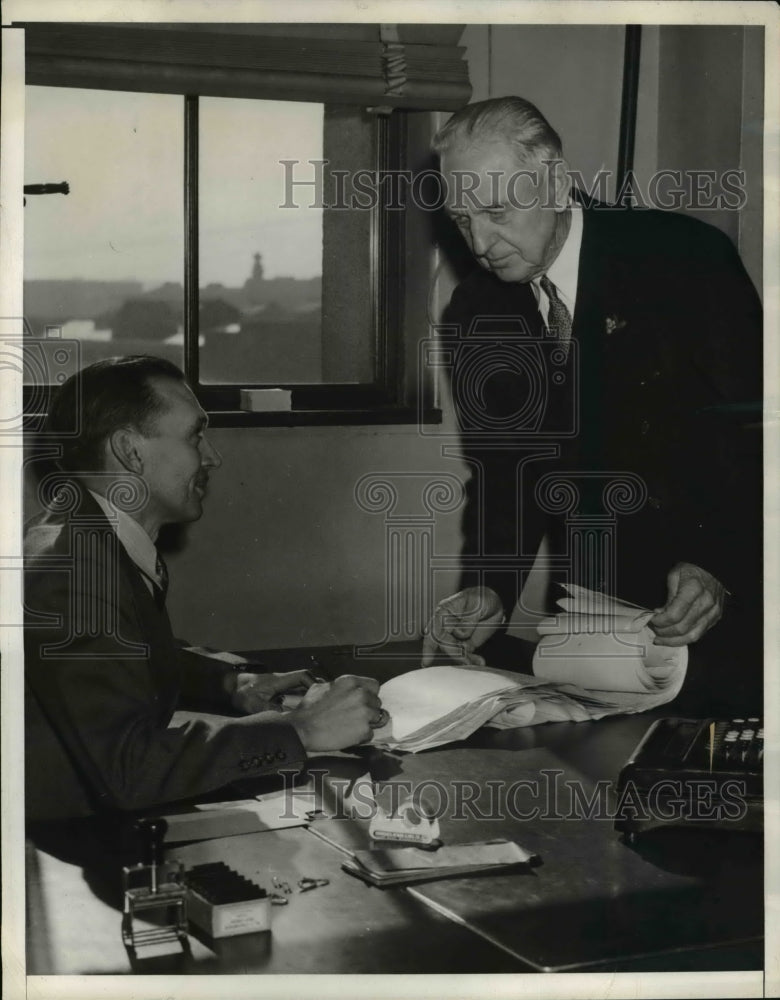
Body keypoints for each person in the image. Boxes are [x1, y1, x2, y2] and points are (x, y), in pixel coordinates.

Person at [422, 97, 762, 715]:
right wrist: (491, 588)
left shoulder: (684, 259)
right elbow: (504, 471)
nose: (479, 240)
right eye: (461, 219)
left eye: (496, 210)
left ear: (555, 180)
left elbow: (752, 436)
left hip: (722, 601)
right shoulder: (477, 309)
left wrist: (717, 565)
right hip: (593, 616)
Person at [25, 356, 385, 821]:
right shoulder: (70, 572)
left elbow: (120, 651)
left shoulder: (80, 533)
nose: (212, 456)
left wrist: (232, 681)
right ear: (131, 452)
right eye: (195, 435)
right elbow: (128, 769)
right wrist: (301, 729)